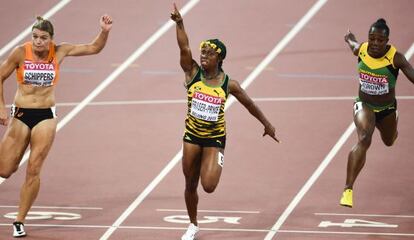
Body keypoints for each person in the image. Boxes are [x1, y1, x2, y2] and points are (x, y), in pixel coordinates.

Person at [170, 3, 279, 240]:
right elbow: (184, 46)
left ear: (219, 58)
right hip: (191, 135)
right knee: (190, 183)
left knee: (208, 186)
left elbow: (249, 104)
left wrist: (267, 124)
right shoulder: (192, 73)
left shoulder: (229, 84)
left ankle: (208, 163)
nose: (203, 56)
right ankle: (192, 225)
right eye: (203, 53)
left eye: (209, 54)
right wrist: (180, 23)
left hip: (215, 139)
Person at [0, 15, 113, 237]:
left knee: (34, 168)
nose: (38, 42)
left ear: (51, 39)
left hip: (46, 116)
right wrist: (1, 107)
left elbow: (93, 48)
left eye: (43, 38)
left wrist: (104, 31)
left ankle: (19, 220)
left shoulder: (60, 51)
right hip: (22, 113)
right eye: (35, 37)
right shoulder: (20, 53)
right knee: (5, 168)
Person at [340, 18, 414, 208]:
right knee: (364, 138)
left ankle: (392, 124)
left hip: (387, 109)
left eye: (380, 40)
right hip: (365, 105)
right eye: (372, 38)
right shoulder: (362, 49)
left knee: (389, 141)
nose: (375, 43)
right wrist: (349, 38)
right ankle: (348, 190)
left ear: (387, 40)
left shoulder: (395, 57)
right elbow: (354, 45)